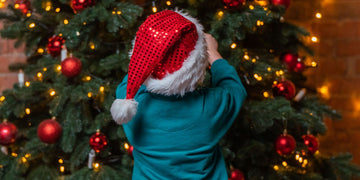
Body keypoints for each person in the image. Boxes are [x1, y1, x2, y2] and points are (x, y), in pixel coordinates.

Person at [111, 10, 247, 180]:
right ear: (197, 65)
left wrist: (152, 50)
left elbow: (135, 74)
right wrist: (213, 53)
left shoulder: (130, 102)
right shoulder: (210, 106)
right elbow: (234, 88)